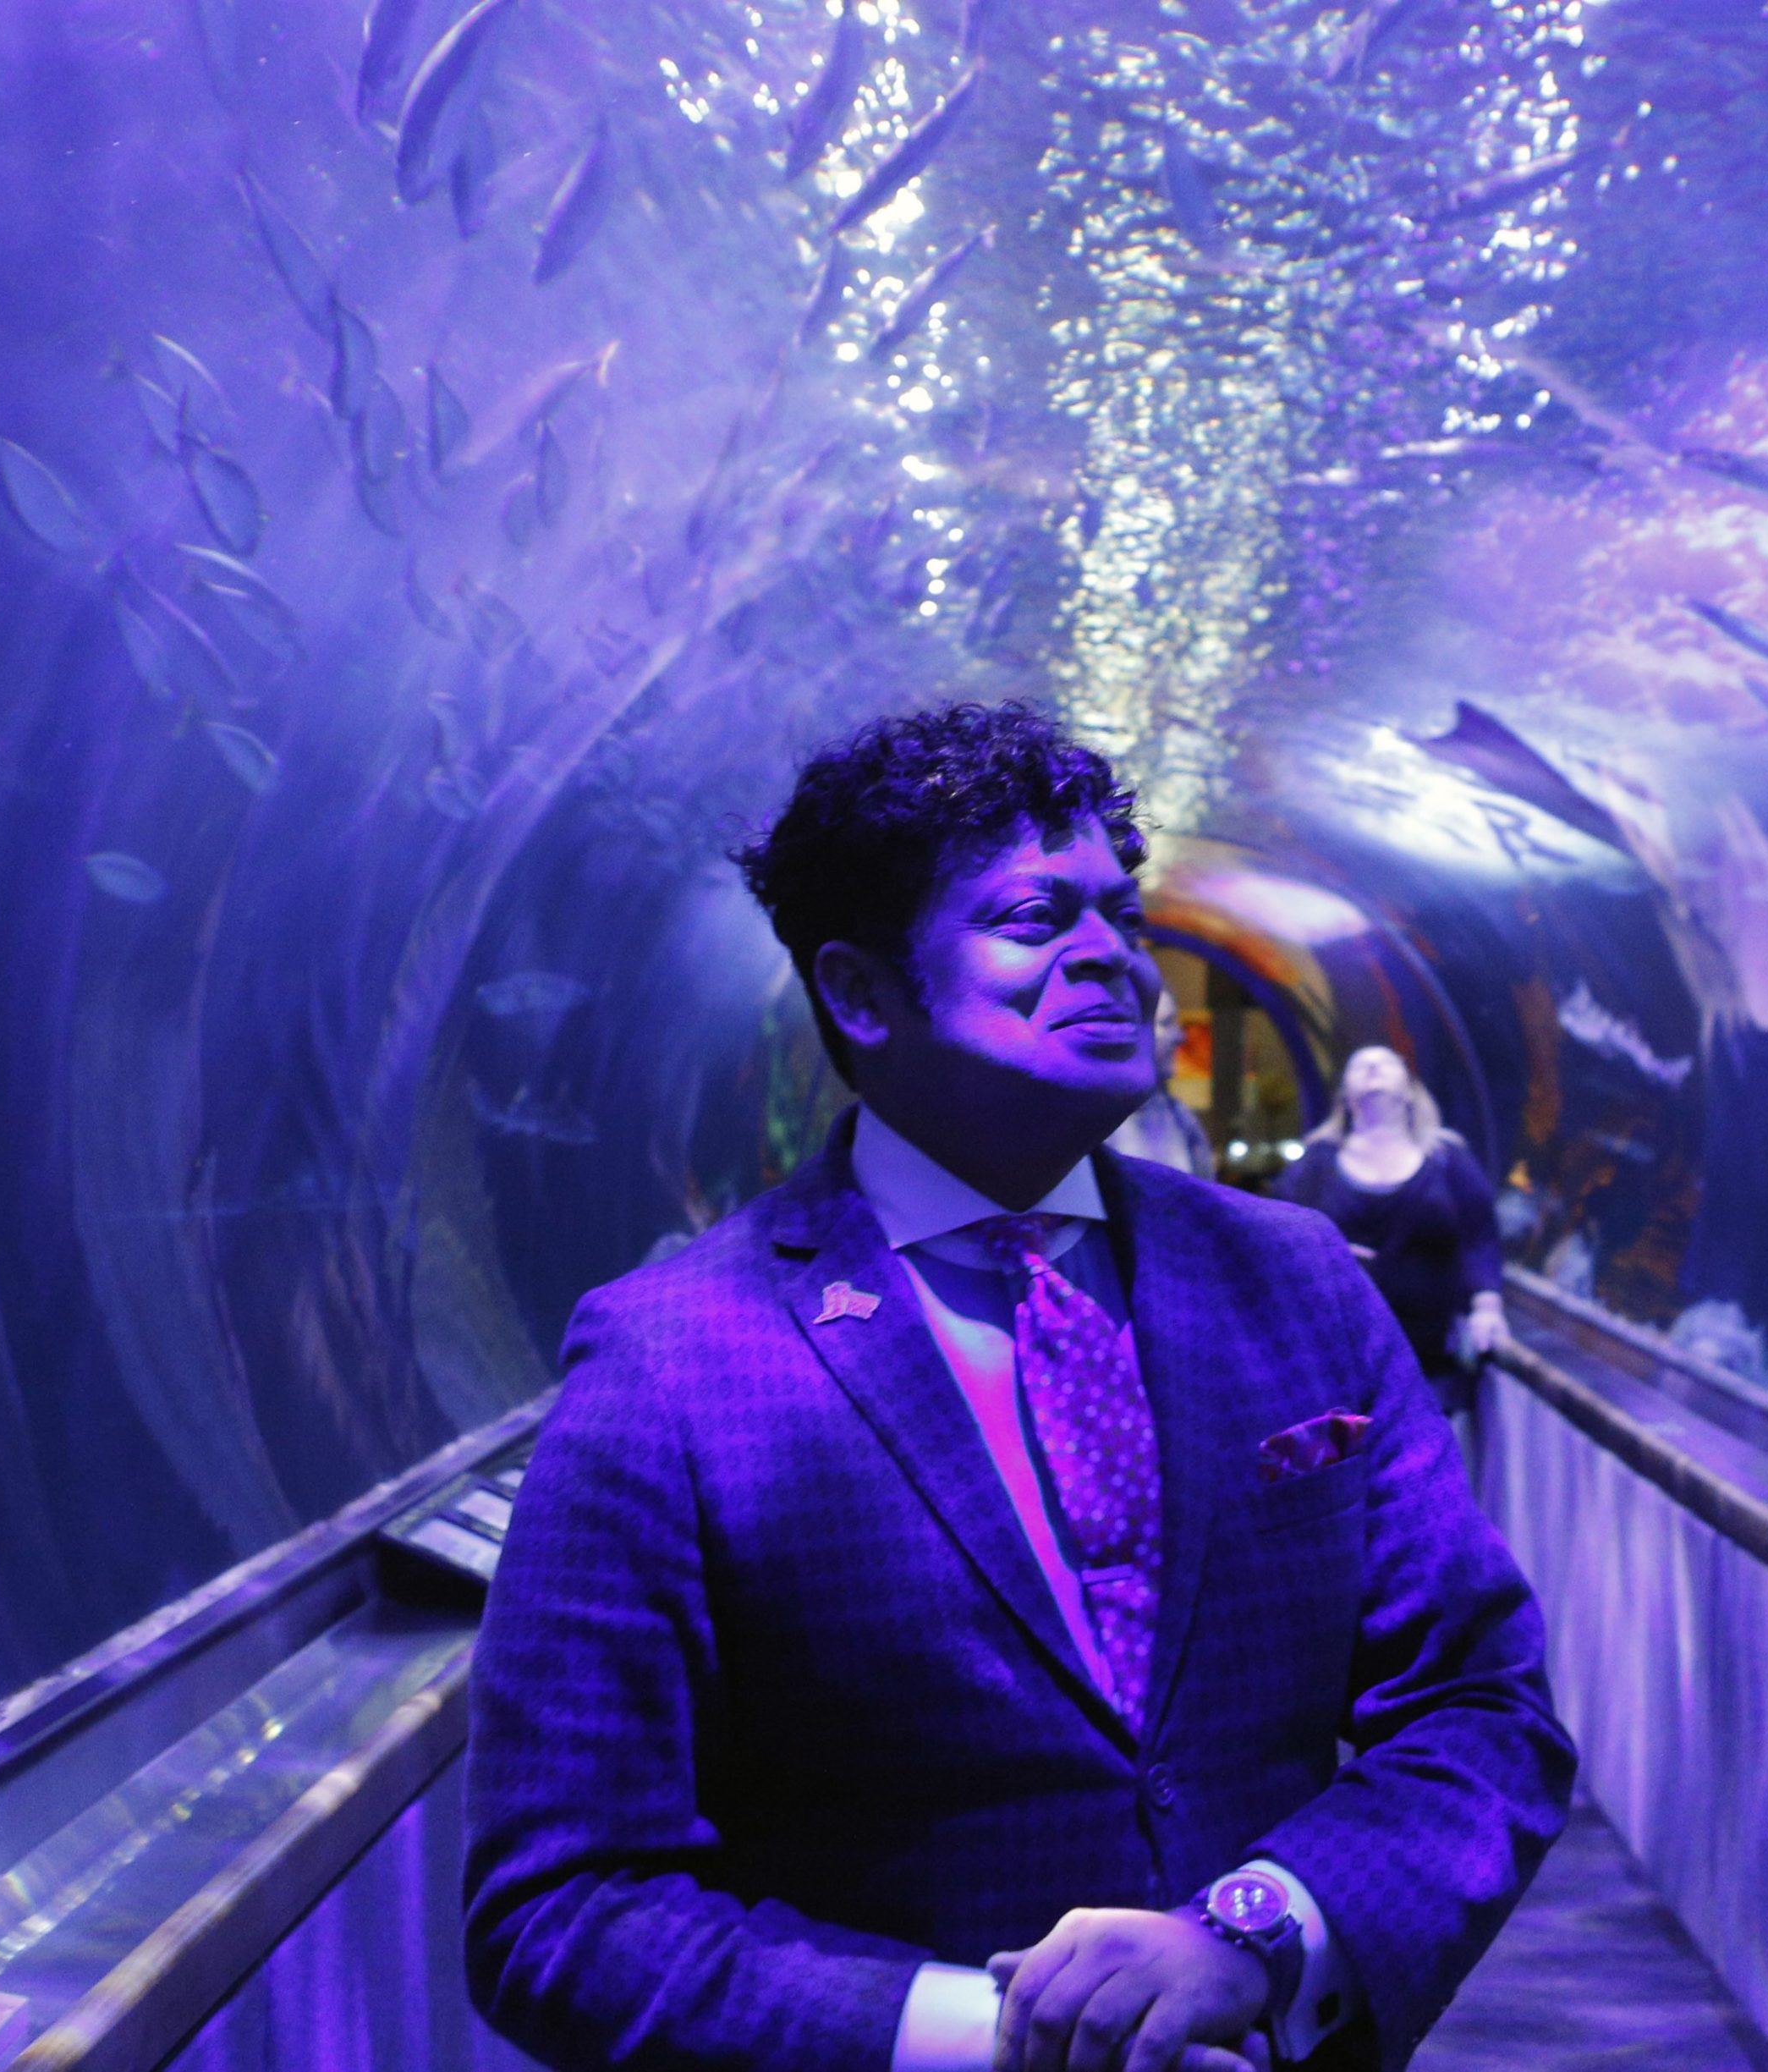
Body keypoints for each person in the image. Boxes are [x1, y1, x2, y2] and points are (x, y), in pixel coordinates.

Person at [465, 703, 1574, 2072]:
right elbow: (562, 1904)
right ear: (862, 993)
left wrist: (1261, 1935)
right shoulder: (673, 1357)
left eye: (1120, 911)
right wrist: (1005, 2035)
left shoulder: (1293, 1279)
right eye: (1037, 917)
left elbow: (1482, 1702)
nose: (1112, 951)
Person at [1277, 1050, 1512, 1421]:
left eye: (1387, 1063)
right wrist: (1322, 1256)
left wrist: (1487, 1306)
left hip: (1432, 1363)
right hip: (1336, 1365)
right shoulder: (1315, 1163)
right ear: (1345, 1094)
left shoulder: (1447, 1158)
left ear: (1409, 1089)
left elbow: (1480, 1235)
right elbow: (1277, 1239)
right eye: (1358, 1064)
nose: (1372, 1068)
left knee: (1422, 1469)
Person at [1106, 991, 1215, 1178]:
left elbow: (1207, 1197)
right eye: (1167, 1023)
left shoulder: (1181, 1116)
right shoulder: (1095, 1120)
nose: (1180, 1037)